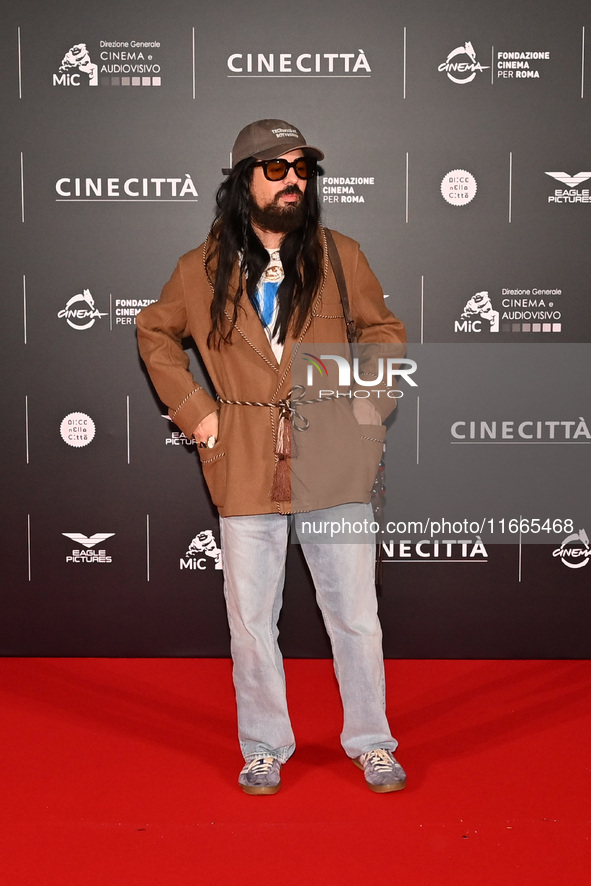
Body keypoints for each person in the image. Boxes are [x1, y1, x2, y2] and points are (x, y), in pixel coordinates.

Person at [137, 119, 407, 795]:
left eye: (302, 169)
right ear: (241, 183)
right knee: (251, 620)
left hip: (333, 462)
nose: (293, 180)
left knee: (355, 614)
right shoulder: (196, 271)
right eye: (276, 168)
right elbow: (154, 332)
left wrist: (366, 407)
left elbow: (382, 331)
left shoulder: (341, 255)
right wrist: (199, 414)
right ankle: (263, 745)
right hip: (245, 461)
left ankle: (372, 741)